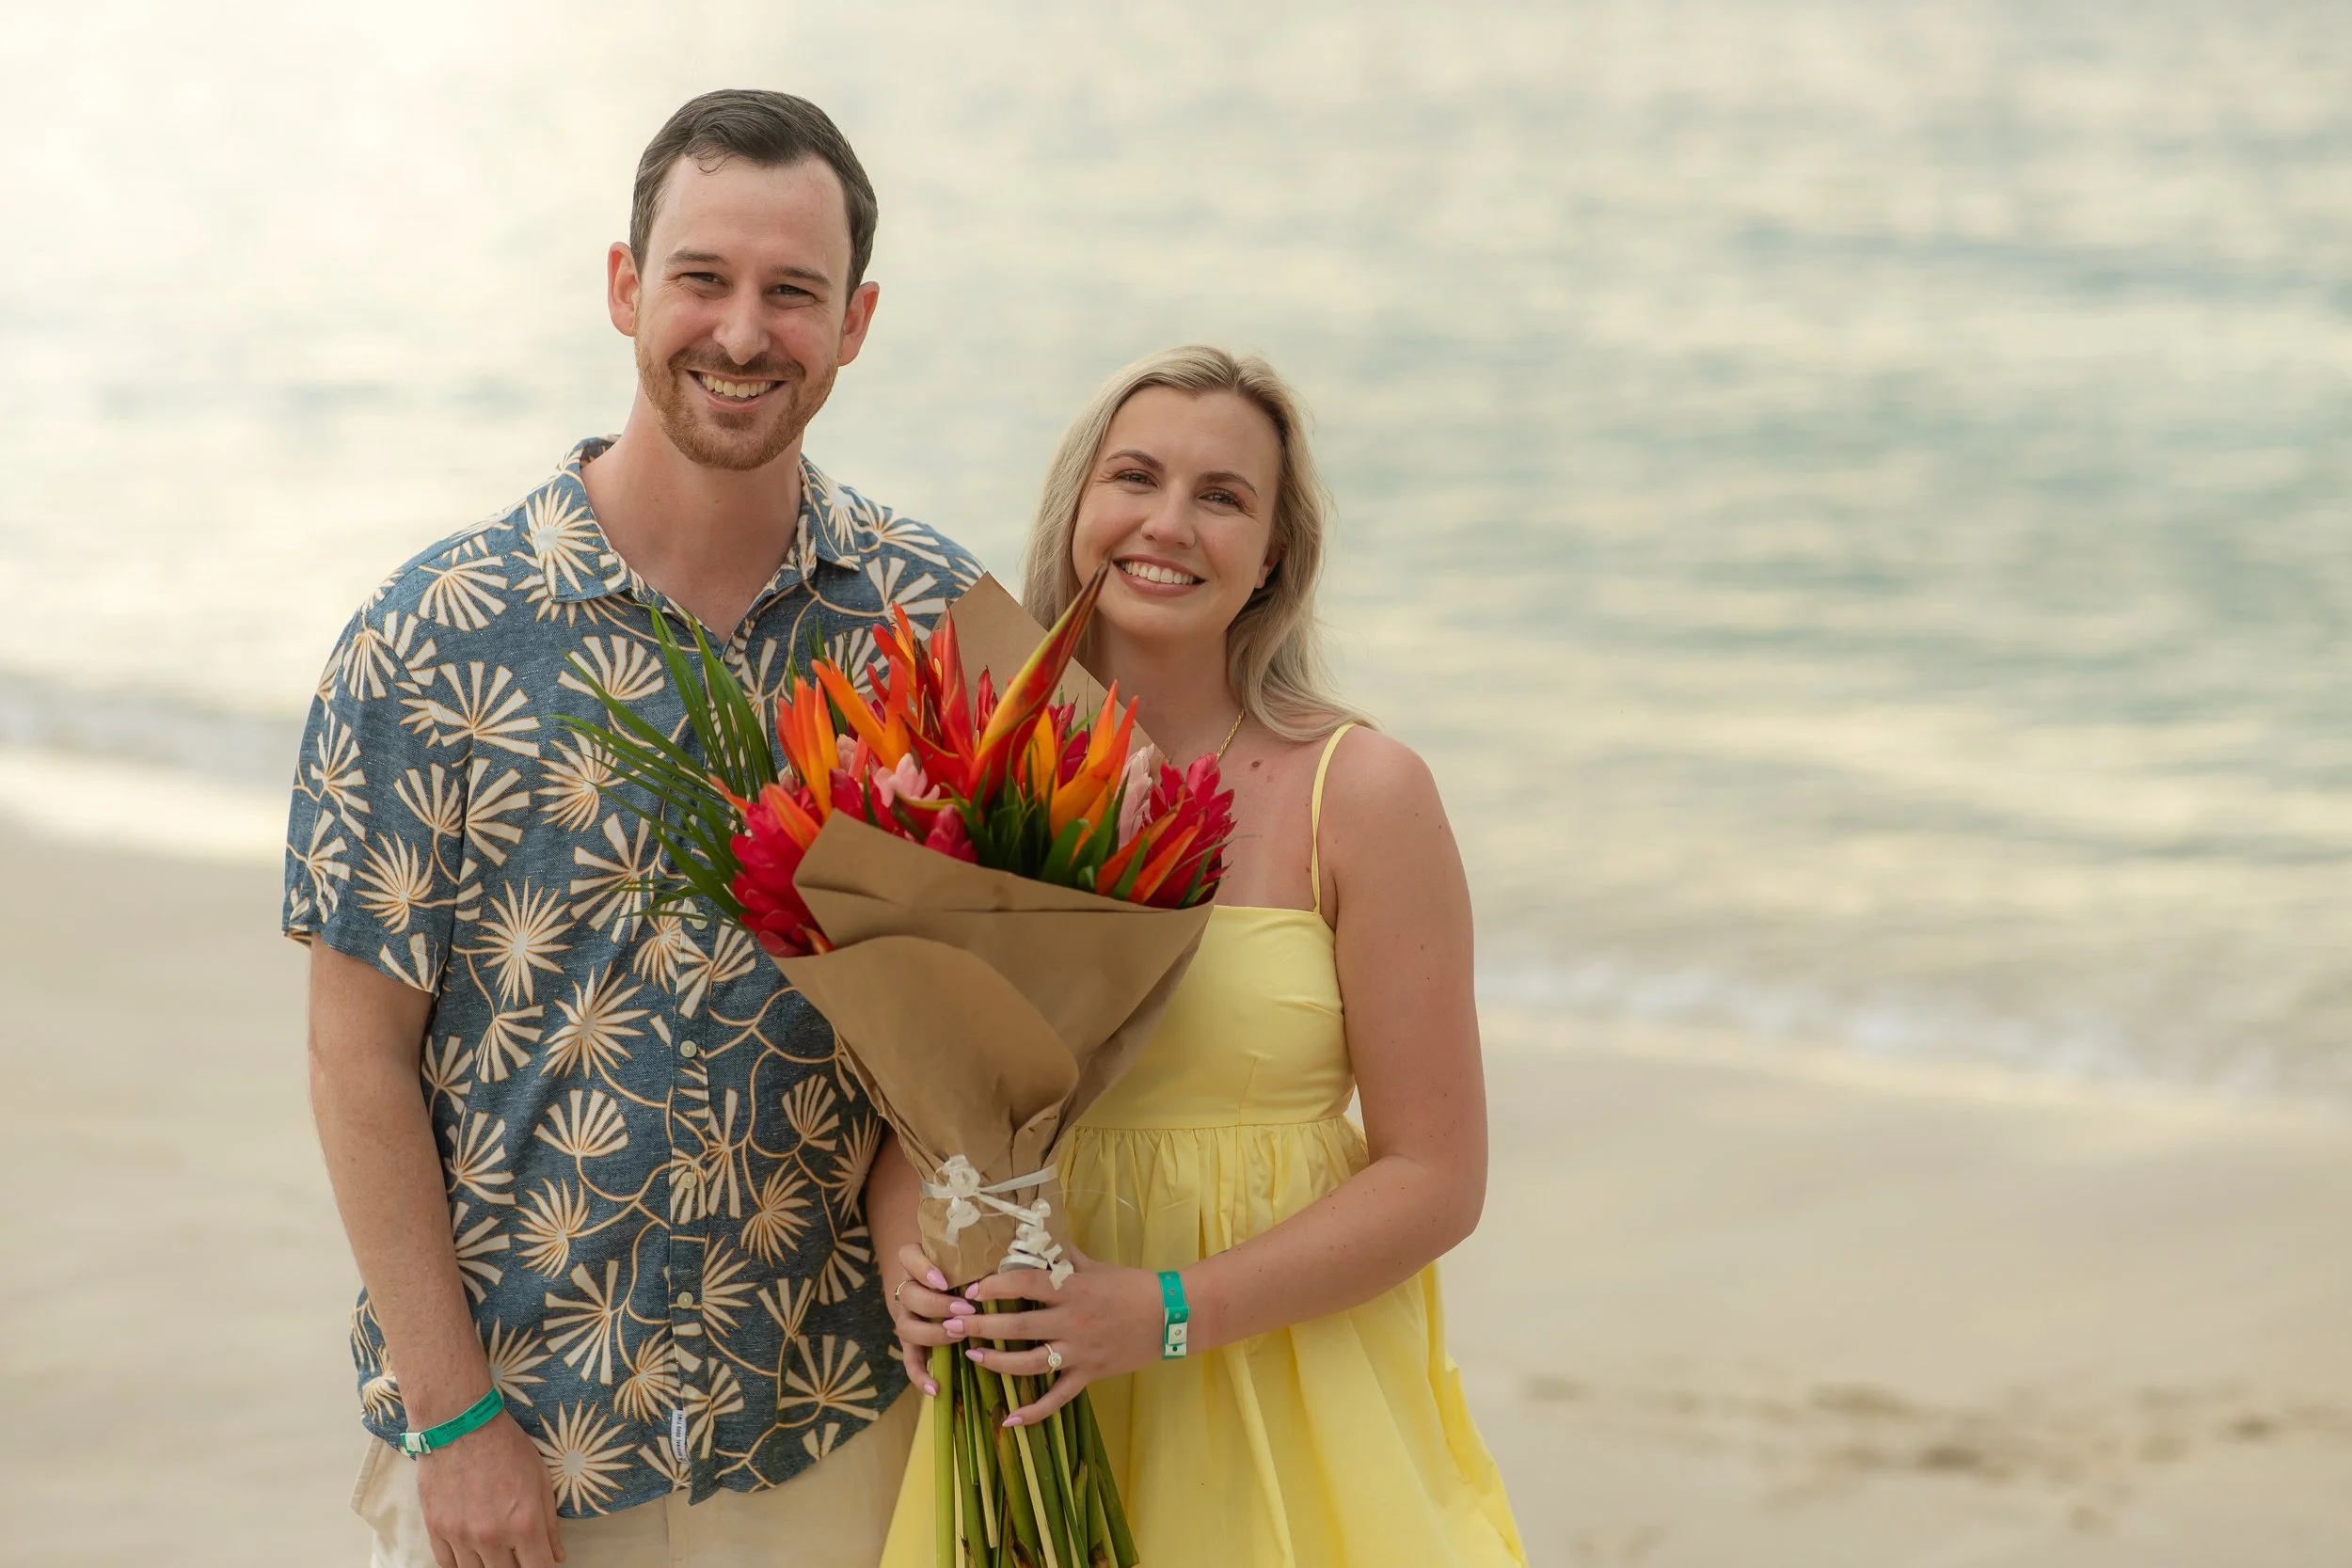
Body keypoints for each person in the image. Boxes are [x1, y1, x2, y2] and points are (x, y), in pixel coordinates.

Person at [286, 89, 979, 1568]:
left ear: (855, 323)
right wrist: (454, 1418)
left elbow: (961, 1033)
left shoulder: (934, 627)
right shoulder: (433, 639)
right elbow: (358, 1057)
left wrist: (938, 1237)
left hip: (828, 1417)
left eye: (793, 292)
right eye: (703, 279)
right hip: (516, 1441)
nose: (743, 332)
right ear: (625, 286)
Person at [874, 347, 1526, 1565]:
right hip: (1025, 1397)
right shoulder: (963, 768)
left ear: (1275, 550)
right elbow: (918, 1109)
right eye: (1135, 476)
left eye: (1223, 495)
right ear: (1079, 508)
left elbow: (1438, 1174)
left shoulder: (1364, 791)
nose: (1168, 522)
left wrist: (1159, 1312)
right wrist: (905, 1255)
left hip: (1279, 1396)